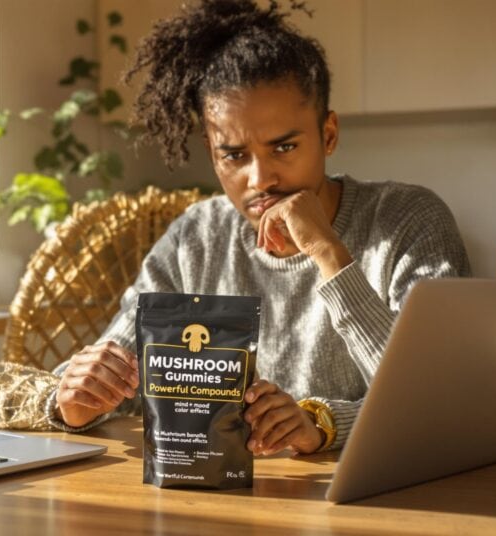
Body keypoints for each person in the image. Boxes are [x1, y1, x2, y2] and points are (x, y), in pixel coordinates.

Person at [42, 0, 471, 455]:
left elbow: (438, 404)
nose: (260, 179)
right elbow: (112, 371)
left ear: (328, 135)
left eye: (283, 146)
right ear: (211, 152)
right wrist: (74, 402)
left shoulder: (409, 220)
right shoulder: (197, 239)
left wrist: (327, 251)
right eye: (234, 155)